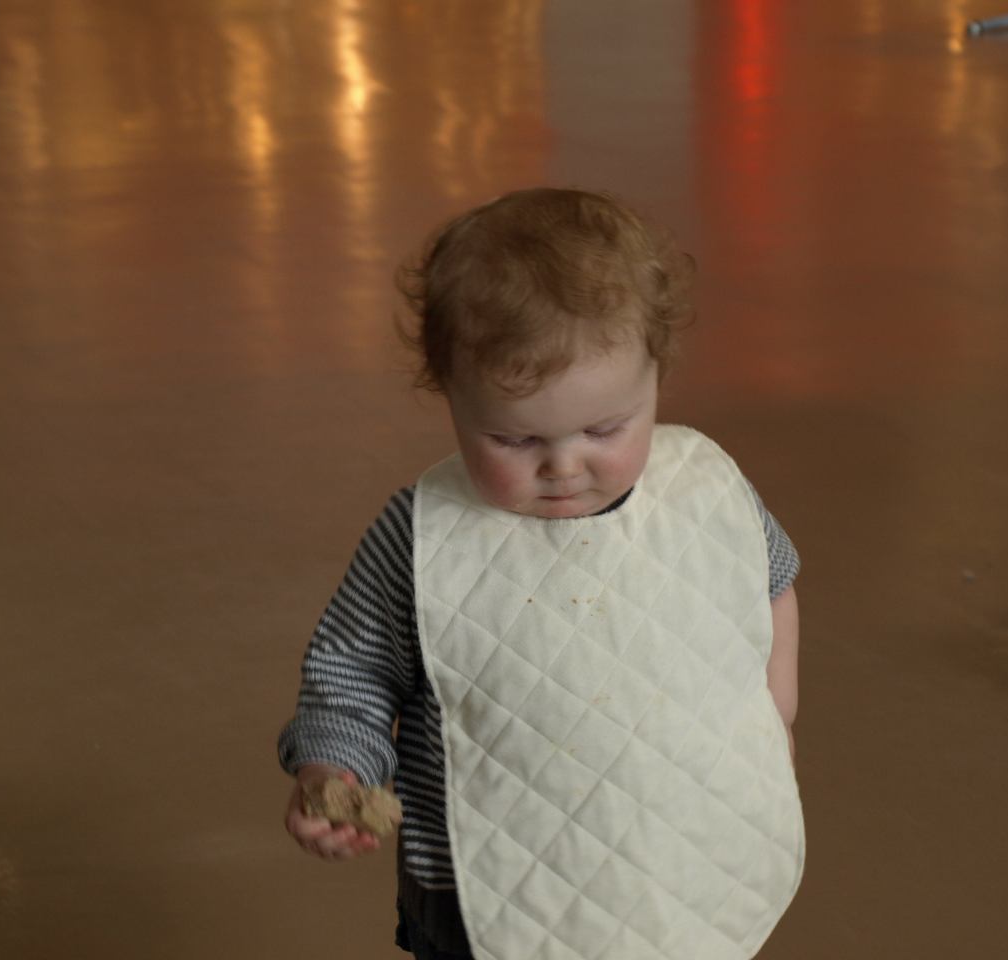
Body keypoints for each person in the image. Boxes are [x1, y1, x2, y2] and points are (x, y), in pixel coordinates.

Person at [279, 187, 805, 960]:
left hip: (678, 848)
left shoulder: (704, 493)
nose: (564, 464)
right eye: (515, 440)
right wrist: (336, 769)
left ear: (655, 377)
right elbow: (352, 669)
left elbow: (767, 583)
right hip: (479, 884)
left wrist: (772, 717)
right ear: (450, 398)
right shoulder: (421, 533)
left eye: (605, 428)